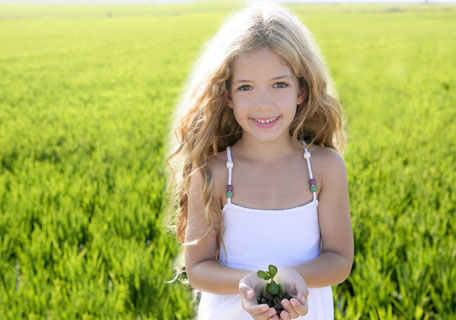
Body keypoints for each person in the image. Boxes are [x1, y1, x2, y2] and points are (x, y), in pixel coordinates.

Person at [165, 3, 354, 320]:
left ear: (301, 90)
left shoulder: (323, 168)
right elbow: (198, 267)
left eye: (279, 84)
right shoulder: (212, 173)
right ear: (228, 95)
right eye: (246, 87)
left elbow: (339, 259)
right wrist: (247, 283)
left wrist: (293, 277)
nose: (263, 104)